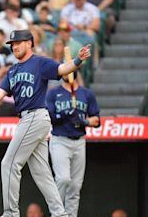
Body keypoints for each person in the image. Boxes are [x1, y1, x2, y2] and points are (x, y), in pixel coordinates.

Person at [0, 29, 91, 217]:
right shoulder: (12, 70)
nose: (14, 46)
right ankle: (60, 213)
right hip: (28, 119)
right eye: (12, 44)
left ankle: (10, 213)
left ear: (29, 43)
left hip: (35, 116)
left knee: (9, 164)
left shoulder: (39, 62)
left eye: (18, 42)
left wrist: (77, 60)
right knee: (42, 173)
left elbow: (62, 69)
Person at [46, 71, 100, 217]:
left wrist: (84, 121)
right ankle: (57, 213)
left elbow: (96, 120)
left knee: (76, 186)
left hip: (79, 141)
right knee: (63, 179)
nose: (68, 73)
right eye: (65, 70)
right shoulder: (53, 93)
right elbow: (50, 117)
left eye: (70, 69)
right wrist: (67, 113)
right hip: (60, 140)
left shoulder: (86, 94)